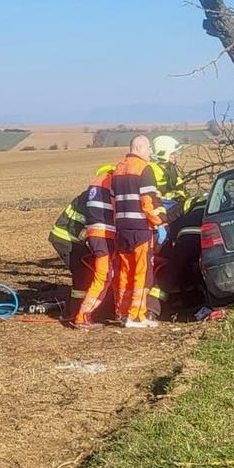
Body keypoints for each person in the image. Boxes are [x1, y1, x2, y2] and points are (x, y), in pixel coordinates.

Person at [111, 136, 168, 328]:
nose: (150, 151)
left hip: (121, 230)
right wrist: (160, 223)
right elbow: (147, 203)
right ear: (139, 147)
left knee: (124, 272)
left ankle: (123, 312)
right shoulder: (144, 168)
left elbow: (113, 202)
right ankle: (137, 316)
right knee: (142, 273)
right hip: (140, 230)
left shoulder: (118, 169)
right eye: (149, 147)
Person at [67, 165, 118, 328]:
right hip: (105, 236)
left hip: (96, 235)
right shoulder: (111, 184)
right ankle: (83, 317)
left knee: (105, 275)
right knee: (103, 277)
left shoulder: (96, 185)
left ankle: (86, 314)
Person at [148, 135, 190, 218]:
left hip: (172, 205)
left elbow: (179, 186)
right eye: (172, 153)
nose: (176, 156)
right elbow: (155, 198)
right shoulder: (152, 171)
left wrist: (181, 198)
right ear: (163, 154)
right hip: (163, 211)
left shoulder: (170, 168)